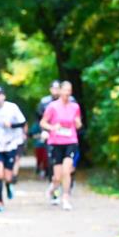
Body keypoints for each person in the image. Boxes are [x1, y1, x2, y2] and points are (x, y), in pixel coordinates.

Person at [40, 80, 82, 211]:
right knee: (57, 177)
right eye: (65, 90)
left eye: (69, 91)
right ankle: (53, 188)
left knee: (66, 170)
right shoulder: (52, 106)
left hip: (71, 141)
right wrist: (52, 127)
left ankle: (65, 198)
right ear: (60, 91)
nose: (67, 93)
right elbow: (43, 123)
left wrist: (77, 123)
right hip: (56, 142)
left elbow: (78, 124)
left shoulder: (75, 107)